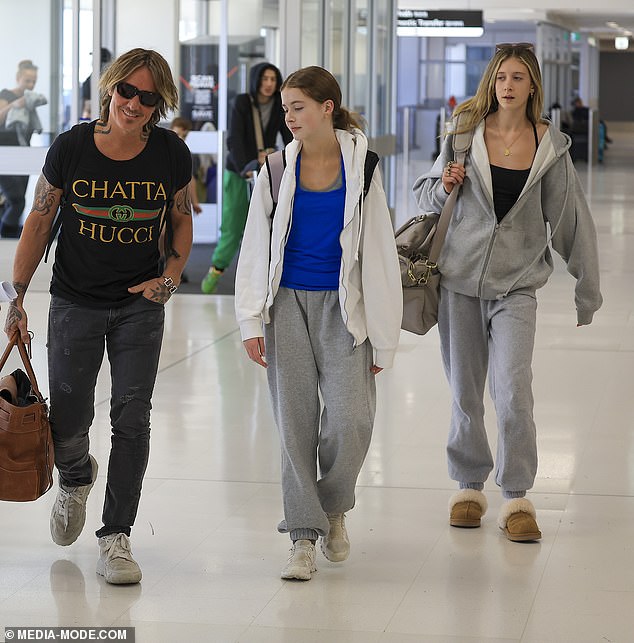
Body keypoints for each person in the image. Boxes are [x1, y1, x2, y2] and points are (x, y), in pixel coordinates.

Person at [3, 48, 193, 584]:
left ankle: (116, 536)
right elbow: (39, 224)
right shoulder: (71, 148)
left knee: (132, 417)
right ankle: (75, 477)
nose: (134, 104)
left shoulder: (170, 153)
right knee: (68, 417)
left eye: (148, 98)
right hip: (74, 301)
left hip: (140, 306)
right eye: (126, 91)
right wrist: (14, 297)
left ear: (159, 105)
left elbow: (181, 224)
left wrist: (169, 279)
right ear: (110, 87)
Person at [412, 43, 602, 542]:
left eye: (518, 77)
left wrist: (588, 289)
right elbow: (426, 194)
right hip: (459, 279)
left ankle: (517, 495)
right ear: (491, 83)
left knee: (514, 390)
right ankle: (468, 486)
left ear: (532, 85)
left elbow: (572, 220)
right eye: (500, 77)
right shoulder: (462, 134)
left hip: (517, 284)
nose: (507, 86)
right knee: (464, 392)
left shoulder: (550, 146)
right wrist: (445, 183)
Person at [235, 66, 402, 580]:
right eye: (285, 109)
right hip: (286, 304)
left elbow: (378, 253)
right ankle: (303, 536)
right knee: (295, 424)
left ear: (328, 107)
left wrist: (385, 337)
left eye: (298, 107)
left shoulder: (364, 167)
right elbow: (253, 246)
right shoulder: (276, 169)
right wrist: (250, 320)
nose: (288, 117)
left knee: (351, 420)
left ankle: (332, 508)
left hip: (344, 307)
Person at [200, 62, 292, 294]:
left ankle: (262, 279)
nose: (269, 84)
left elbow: (289, 135)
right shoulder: (242, 102)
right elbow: (235, 139)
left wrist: (295, 157)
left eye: (273, 79)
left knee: (268, 223)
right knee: (233, 224)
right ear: (255, 80)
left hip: (267, 171)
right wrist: (248, 164)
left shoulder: (280, 105)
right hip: (239, 172)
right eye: (264, 79)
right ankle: (215, 272)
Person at [0, 60, 46, 238]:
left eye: (33, 81)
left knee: (17, 200)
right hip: (6, 156)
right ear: (18, 78)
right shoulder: (6, 95)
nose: (31, 84)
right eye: (27, 80)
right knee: (16, 201)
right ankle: (7, 236)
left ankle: (8, 235)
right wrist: (14, 105)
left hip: (23, 155)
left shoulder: (30, 100)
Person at [81, 48, 112, 120]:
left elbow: (86, 108)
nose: (92, 62)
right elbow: (87, 108)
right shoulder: (90, 80)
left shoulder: (93, 80)